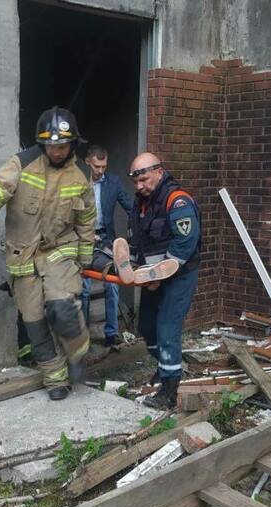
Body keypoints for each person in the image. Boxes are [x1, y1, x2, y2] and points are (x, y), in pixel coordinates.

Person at [0, 107, 96, 401]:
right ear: (42, 144)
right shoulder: (22, 164)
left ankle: (78, 355)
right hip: (23, 256)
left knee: (63, 308)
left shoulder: (82, 174)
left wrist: (86, 259)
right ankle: (55, 377)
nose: (56, 151)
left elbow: (87, 218)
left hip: (60, 252)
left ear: (73, 144)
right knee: (34, 322)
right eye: (51, 146)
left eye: (62, 146)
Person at [126, 152, 201, 409]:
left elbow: (185, 243)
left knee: (167, 328)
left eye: (144, 180)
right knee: (147, 326)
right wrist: (138, 269)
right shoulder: (141, 203)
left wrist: (159, 276)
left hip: (178, 276)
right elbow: (138, 240)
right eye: (135, 182)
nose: (139, 186)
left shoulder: (177, 201)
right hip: (153, 276)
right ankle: (165, 364)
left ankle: (169, 390)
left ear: (159, 171)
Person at [80, 145, 133, 347]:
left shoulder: (113, 182)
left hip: (106, 239)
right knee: (83, 289)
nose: (100, 171)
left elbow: (129, 206)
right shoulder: (77, 183)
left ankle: (111, 334)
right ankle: (83, 336)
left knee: (112, 284)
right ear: (87, 162)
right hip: (83, 241)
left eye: (104, 166)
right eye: (96, 166)